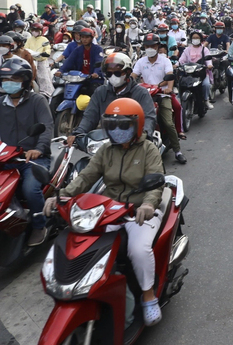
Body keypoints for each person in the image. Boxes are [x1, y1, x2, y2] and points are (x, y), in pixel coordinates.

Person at [45, 98, 165, 327]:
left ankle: (148, 296)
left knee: (137, 249)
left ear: (137, 125)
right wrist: (62, 196)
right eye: (113, 125)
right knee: (85, 245)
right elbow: (86, 176)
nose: (117, 131)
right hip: (109, 211)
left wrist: (148, 205)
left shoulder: (148, 149)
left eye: (124, 125)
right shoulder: (106, 151)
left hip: (138, 212)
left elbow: (156, 183)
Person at [0, 58, 54, 246]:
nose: (9, 83)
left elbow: (47, 127)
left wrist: (38, 149)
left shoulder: (37, 101)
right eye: (5, 79)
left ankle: (39, 225)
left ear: (25, 80)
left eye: (14, 79)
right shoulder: (1, 103)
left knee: (30, 189)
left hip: (30, 160)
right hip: (5, 159)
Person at [65, 53, 157, 148]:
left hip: (132, 143)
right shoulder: (100, 92)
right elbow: (89, 117)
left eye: (117, 73)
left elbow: (149, 118)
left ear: (128, 72)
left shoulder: (141, 93)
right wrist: (78, 133)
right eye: (109, 73)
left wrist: (144, 136)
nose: (113, 76)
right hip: (106, 143)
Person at [131, 34, 186, 164]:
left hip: (162, 95)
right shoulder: (140, 61)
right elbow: (133, 75)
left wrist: (168, 88)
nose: (150, 48)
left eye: (153, 46)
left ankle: (177, 151)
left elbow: (170, 75)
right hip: (144, 96)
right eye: (147, 46)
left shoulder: (165, 60)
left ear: (157, 46)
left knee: (168, 122)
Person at [177, 30, 215, 110]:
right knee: (181, 83)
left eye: (197, 38)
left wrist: (209, 65)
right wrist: (176, 65)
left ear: (200, 39)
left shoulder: (204, 49)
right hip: (189, 73)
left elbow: (208, 60)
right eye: (193, 38)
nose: (195, 39)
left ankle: (206, 100)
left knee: (206, 85)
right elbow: (181, 60)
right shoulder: (187, 49)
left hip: (201, 73)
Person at [25, 22, 53, 97]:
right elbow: (25, 48)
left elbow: (47, 49)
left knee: (44, 78)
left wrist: (45, 53)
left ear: (41, 31)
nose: (34, 32)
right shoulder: (29, 39)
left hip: (41, 61)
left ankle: (47, 94)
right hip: (31, 60)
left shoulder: (44, 39)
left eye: (36, 30)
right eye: (33, 30)